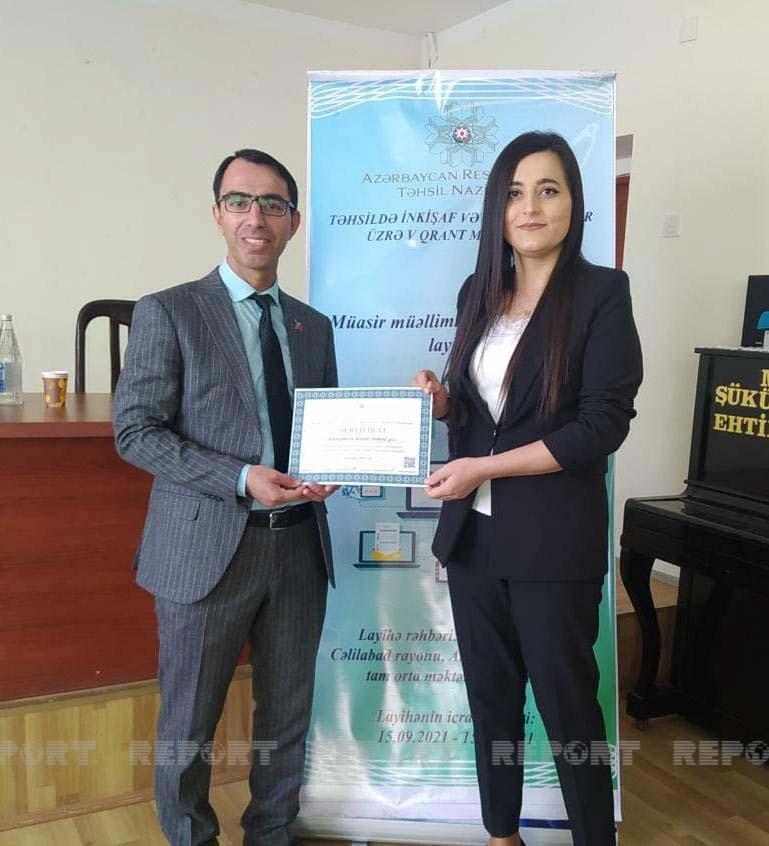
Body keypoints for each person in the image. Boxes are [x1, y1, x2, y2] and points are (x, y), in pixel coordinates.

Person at [412, 131, 642, 846]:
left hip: (552, 540)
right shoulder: (478, 293)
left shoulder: (601, 293)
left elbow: (601, 426)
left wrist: (485, 469)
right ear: (497, 208)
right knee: (491, 702)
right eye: (514, 193)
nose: (530, 207)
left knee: (569, 709)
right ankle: (500, 834)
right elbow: (481, 410)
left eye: (548, 189)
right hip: (474, 537)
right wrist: (443, 404)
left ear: (574, 202)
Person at [113, 149, 338, 846]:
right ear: (217, 215)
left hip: (298, 547)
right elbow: (135, 431)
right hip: (205, 550)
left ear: (293, 220)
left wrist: (333, 466)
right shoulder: (169, 311)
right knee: (188, 724)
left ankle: (271, 833)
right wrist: (241, 477)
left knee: (287, 717)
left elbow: (325, 427)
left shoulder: (312, 326)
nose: (255, 217)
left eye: (272, 203)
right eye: (239, 201)